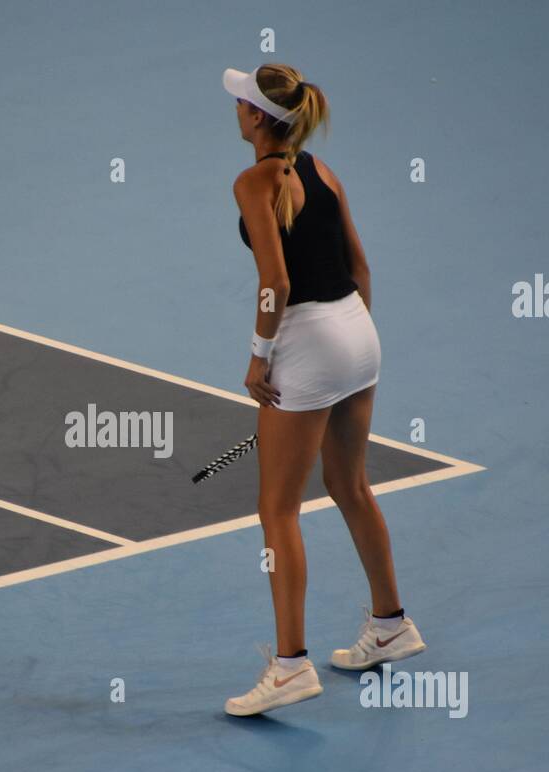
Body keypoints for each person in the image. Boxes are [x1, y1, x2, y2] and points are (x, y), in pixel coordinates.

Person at [221, 64, 426, 718]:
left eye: (240, 104)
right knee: (350, 485)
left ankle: (289, 667)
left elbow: (274, 285)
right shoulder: (323, 172)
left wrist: (261, 358)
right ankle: (391, 624)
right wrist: (347, 337)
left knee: (277, 509)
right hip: (358, 332)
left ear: (257, 118)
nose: (235, 110)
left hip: (308, 339)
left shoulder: (254, 181)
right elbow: (359, 265)